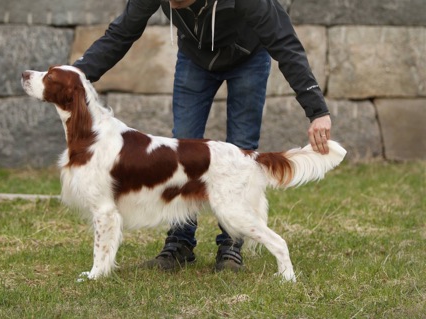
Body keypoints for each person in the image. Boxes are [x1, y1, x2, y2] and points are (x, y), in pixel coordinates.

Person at [73, 0, 332, 272]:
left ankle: (231, 245)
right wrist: (74, 76)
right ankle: (179, 243)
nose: (173, 4)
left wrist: (317, 110)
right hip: (194, 58)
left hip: (248, 56)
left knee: (241, 149)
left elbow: (284, 42)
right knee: (178, 151)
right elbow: (121, 32)